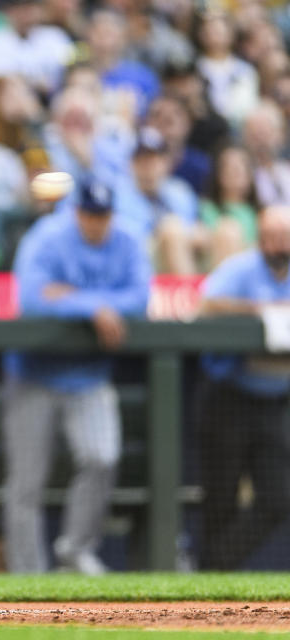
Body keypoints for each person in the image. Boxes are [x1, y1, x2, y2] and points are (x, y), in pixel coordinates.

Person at [2, 181, 150, 575]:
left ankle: (75, 550)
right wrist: (95, 307)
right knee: (27, 483)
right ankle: (26, 573)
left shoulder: (127, 240)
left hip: (89, 376)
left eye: (103, 215)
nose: (96, 223)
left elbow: (140, 298)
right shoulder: (47, 237)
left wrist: (75, 298)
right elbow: (31, 299)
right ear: (76, 211)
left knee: (102, 457)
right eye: (89, 214)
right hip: (34, 374)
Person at [197, 206, 290, 570]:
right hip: (229, 395)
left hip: (276, 399)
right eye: (270, 237)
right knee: (220, 498)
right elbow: (205, 305)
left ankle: (212, 567)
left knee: (279, 498)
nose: (277, 245)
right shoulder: (241, 268)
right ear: (260, 239)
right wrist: (261, 310)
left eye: (284, 237)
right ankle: (208, 587)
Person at [112, 127, 198, 274]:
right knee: (172, 230)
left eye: (153, 159)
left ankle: (227, 294)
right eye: (141, 160)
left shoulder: (180, 191)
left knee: (227, 230)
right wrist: (169, 232)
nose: (147, 166)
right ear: (131, 164)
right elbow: (127, 239)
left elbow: (195, 227)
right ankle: (191, 294)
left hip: (184, 245)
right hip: (143, 254)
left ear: (165, 163)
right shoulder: (119, 195)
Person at [197, 145, 259, 270]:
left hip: (250, 267)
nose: (234, 172)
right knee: (227, 231)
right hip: (215, 263)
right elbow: (201, 238)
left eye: (240, 168)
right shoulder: (207, 209)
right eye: (228, 168)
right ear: (218, 174)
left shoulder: (259, 213)